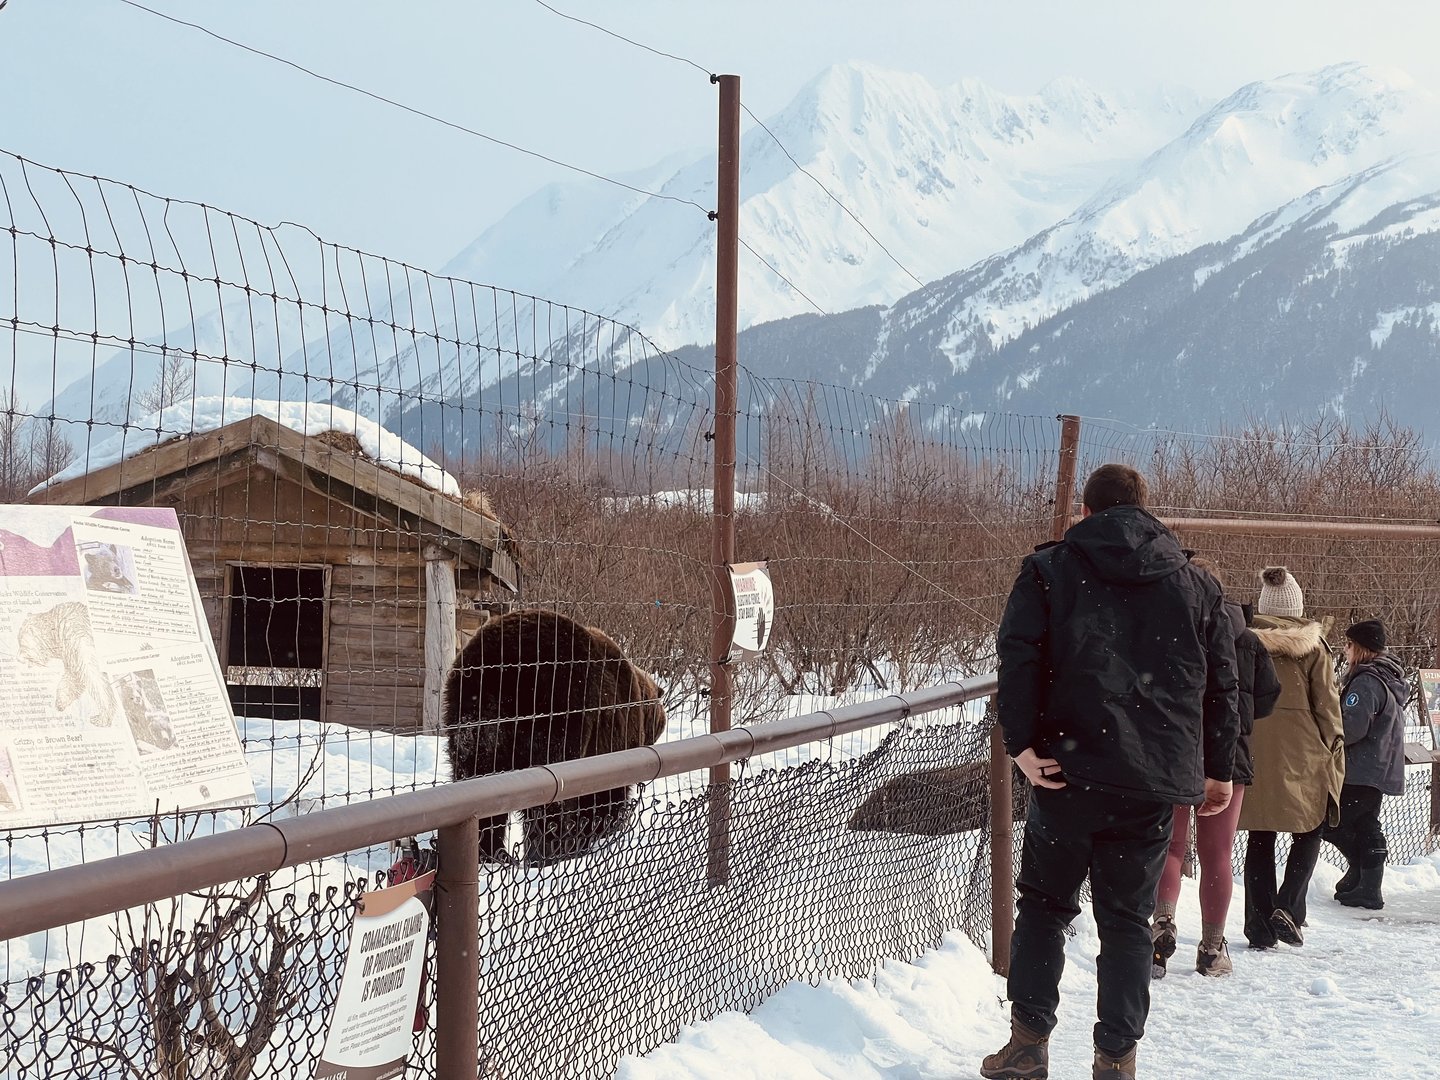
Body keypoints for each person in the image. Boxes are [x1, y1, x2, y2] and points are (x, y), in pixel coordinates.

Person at [983, 464, 1239, 1080]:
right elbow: (1222, 687)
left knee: (1044, 906)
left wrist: (1020, 744)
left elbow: (1017, 658)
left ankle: (1027, 1044)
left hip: (1064, 770)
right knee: (1127, 920)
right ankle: (1117, 1057)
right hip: (1151, 780)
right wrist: (1218, 768)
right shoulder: (1197, 586)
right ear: (1146, 509)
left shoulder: (1048, 570)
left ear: (1085, 510)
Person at [1152, 559, 1281, 978]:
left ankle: (1162, 923)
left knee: (1171, 846)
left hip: (1178, 750)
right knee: (1217, 853)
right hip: (1230, 755)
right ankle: (1211, 947)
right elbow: (1267, 697)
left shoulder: (1172, 627)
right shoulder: (1248, 639)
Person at [1238, 567, 1345, 950]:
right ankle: (1289, 906)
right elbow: (1327, 707)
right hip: (1302, 750)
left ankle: (1258, 925)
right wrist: (1335, 748)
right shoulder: (1314, 648)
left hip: (1252, 747)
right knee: (1311, 826)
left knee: (1260, 835)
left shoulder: (1244, 642)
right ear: (1299, 608)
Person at [1323, 619, 1407, 909]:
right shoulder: (1387, 677)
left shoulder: (1367, 681)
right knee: (1363, 822)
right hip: (1378, 764)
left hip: (1361, 767)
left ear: (1359, 648)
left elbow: (1353, 725)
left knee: (1332, 822)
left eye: (1348, 644)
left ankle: (1365, 876)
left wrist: (1327, 733)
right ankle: (1363, 880)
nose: (1345, 650)